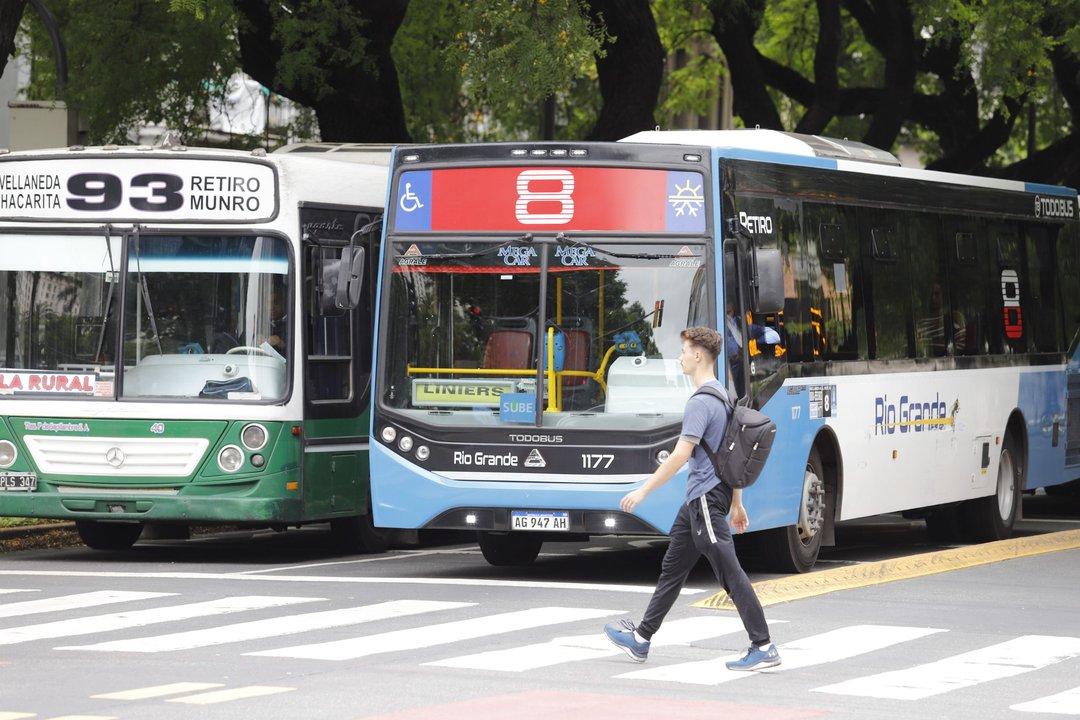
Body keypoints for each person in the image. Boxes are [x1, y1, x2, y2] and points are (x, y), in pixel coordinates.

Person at [603, 326, 780, 671]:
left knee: (730, 573)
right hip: (700, 501)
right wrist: (737, 502)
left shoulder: (700, 402)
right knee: (672, 569)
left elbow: (680, 455)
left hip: (705, 500)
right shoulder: (723, 395)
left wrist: (642, 490)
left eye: (684, 351)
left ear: (698, 355)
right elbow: (732, 456)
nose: (681, 357)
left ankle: (764, 645)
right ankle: (641, 639)